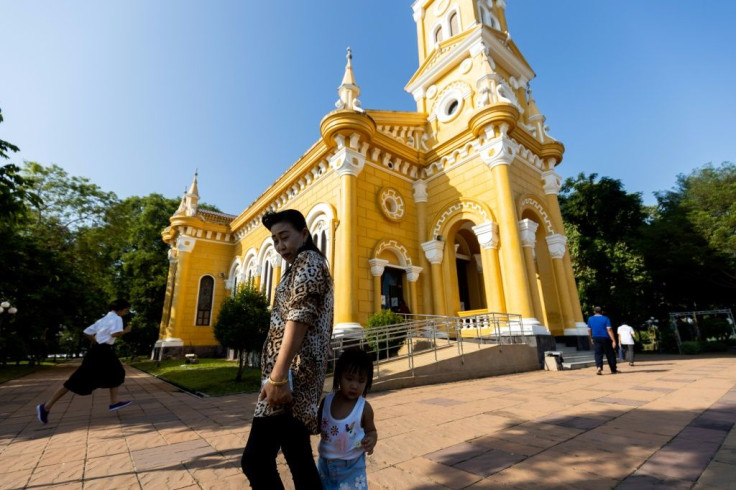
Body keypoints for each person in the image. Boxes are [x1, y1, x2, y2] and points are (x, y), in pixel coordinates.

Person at [241, 209, 334, 489]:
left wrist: (278, 376)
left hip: (292, 377)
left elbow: (300, 317)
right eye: (275, 241)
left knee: (255, 461)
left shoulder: (308, 260)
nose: (281, 246)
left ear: (304, 234)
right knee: (298, 457)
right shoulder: (300, 265)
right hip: (294, 375)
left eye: (285, 237)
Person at [36, 299, 133, 424]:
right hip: (102, 352)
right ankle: (45, 407)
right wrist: (126, 331)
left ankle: (114, 402)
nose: (126, 312)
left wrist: (95, 342)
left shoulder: (103, 319)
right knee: (76, 380)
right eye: (126, 309)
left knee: (116, 373)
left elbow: (86, 332)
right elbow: (115, 334)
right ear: (120, 309)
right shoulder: (117, 319)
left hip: (99, 350)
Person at [317, 348, 377, 490]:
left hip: (352, 468)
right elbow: (317, 426)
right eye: (349, 379)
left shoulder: (364, 408)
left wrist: (371, 439)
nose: (354, 385)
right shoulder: (326, 402)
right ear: (339, 376)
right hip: (325, 466)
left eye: (361, 381)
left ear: (367, 382)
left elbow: (372, 430)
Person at [587, 306, 618, 375]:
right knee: (610, 354)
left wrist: (591, 338)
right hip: (605, 338)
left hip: (596, 337)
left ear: (594, 311)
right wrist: (613, 340)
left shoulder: (590, 319)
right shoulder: (605, 318)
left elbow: (589, 330)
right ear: (602, 312)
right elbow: (609, 329)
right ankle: (613, 369)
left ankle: (599, 367)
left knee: (598, 353)